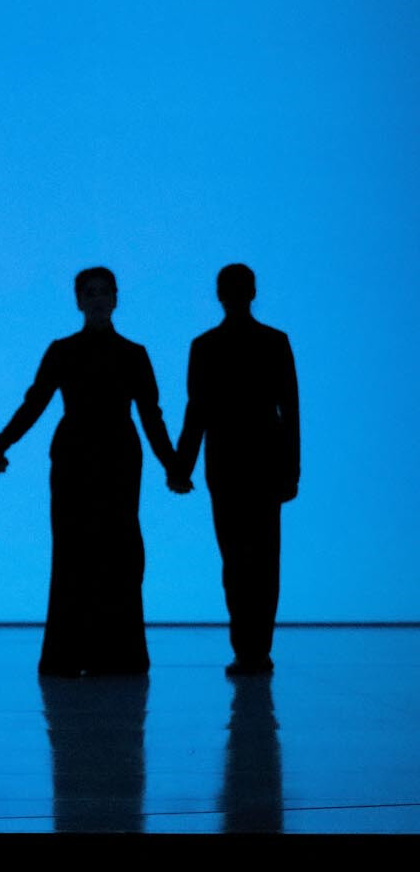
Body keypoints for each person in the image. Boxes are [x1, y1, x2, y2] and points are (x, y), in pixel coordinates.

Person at [0, 267, 180, 676]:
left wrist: (172, 464)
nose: (97, 299)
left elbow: (152, 416)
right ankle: (90, 654)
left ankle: (102, 654)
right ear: (79, 301)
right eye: (90, 293)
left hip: (113, 459)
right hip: (80, 457)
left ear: (115, 298)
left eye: (103, 292)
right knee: (77, 550)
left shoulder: (130, 353)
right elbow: (34, 404)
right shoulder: (67, 351)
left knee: (117, 551)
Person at [169, 263, 300, 676]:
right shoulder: (274, 341)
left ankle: (246, 647)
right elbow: (290, 412)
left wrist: (182, 467)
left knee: (236, 559)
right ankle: (257, 648)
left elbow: (197, 412)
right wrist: (292, 469)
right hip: (263, 462)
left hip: (226, 462)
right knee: (264, 559)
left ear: (219, 295)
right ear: (253, 292)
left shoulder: (205, 345)